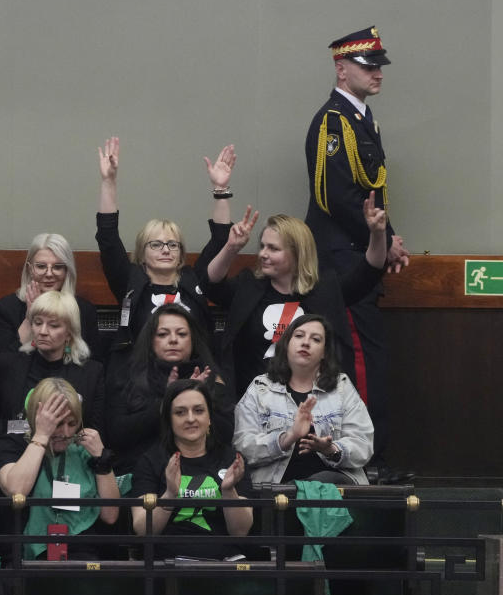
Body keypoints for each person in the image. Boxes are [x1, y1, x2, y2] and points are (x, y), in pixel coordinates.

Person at [304, 26, 409, 466]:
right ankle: (364, 461)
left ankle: (372, 458)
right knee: (360, 362)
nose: (377, 73)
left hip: (361, 253)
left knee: (372, 361)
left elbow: (372, 196)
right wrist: (379, 241)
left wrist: (390, 238)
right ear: (341, 68)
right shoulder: (332, 121)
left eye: (379, 65)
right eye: (368, 66)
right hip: (343, 261)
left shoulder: (362, 120)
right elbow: (336, 196)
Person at [204, 192, 388, 400]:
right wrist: (231, 248)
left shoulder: (326, 289)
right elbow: (212, 284)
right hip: (256, 403)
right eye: (262, 246)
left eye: (273, 248)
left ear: (297, 253)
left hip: (316, 401)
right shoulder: (249, 286)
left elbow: (369, 272)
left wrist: (377, 234)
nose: (263, 253)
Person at [95, 137, 234, 356]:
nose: (166, 249)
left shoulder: (193, 280)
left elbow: (221, 240)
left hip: (192, 379)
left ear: (180, 255)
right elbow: (108, 238)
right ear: (141, 253)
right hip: (141, 381)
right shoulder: (130, 282)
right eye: (156, 244)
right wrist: (109, 181)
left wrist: (221, 188)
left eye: (172, 244)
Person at [233, 314, 374, 485]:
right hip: (276, 492)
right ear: (286, 345)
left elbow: (363, 445)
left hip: (335, 490)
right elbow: (243, 446)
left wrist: (331, 449)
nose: (306, 342)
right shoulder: (260, 388)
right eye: (299, 336)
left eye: (316, 339)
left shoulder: (341, 387)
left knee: (321, 483)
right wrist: (287, 438)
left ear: (324, 352)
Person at [0, 291, 104, 478]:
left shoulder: (91, 372)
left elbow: (94, 429)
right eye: (37, 323)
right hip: (14, 462)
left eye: (53, 325)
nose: (43, 331)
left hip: (70, 466)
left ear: (69, 332)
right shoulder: (8, 364)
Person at [0, 377, 119, 561]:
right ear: (38, 417)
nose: (66, 433)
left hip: (82, 553)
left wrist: (102, 459)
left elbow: (110, 515)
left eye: (72, 423)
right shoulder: (14, 443)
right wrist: (42, 435)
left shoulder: (84, 448)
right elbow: (16, 490)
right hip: (25, 558)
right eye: (58, 423)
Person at [130, 379, 252, 559]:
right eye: (180, 412)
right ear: (169, 420)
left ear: (209, 417)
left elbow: (240, 531)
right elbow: (142, 529)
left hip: (223, 563)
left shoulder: (231, 460)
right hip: (166, 564)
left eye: (199, 410)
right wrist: (170, 494)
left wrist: (228, 491)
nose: (190, 418)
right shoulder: (151, 461)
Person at [106, 304, 231, 474]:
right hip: (140, 472)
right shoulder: (128, 377)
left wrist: (199, 398)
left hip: (200, 473)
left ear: (193, 340)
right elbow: (116, 435)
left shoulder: (210, 377)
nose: (173, 340)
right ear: (151, 340)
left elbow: (226, 434)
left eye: (181, 334)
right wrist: (167, 402)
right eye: (163, 334)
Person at [0, 232, 99, 361]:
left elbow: (94, 365)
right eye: (41, 266)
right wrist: (30, 319)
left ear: (67, 271)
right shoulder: (5, 309)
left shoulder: (84, 310)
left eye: (57, 267)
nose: (49, 274)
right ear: (30, 269)